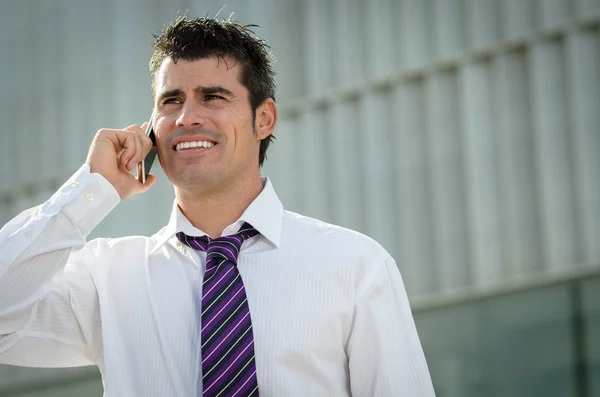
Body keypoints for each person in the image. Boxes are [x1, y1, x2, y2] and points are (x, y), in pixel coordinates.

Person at [0, 16, 435, 397]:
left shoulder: (355, 265)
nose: (187, 117)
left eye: (212, 97)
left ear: (263, 118)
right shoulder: (105, 278)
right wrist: (91, 191)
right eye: (171, 101)